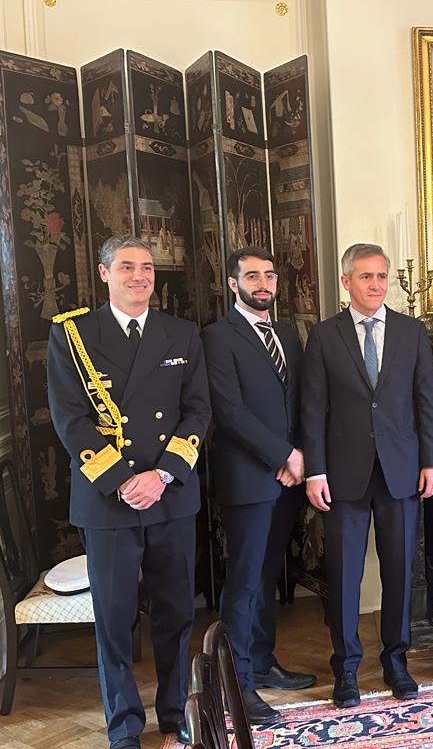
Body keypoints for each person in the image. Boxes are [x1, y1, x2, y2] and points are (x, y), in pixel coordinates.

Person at [46, 235, 211, 749]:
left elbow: (198, 411)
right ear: (104, 273)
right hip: (108, 499)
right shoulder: (74, 335)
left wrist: (161, 475)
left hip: (170, 494)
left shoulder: (181, 333)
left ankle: (173, 713)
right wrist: (124, 480)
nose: (139, 275)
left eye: (146, 267)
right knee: (115, 620)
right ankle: (123, 727)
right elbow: (70, 418)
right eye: (126, 267)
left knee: (176, 613)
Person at [302, 243, 433, 707]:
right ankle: (345, 670)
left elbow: (427, 401)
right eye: (366, 277)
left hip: (402, 471)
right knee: (343, 575)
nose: (377, 285)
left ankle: (396, 662)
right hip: (343, 474)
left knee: (399, 571)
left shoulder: (411, 332)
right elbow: (313, 409)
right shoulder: (324, 336)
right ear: (346, 282)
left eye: (382, 276)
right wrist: (315, 470)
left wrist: (432, 461)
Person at [200, 247, 315, 724]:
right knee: (244, 581)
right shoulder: (215, 337)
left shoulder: (287, 333)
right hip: (249, 477)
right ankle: (237, 684)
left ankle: (263, 663)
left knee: (270, 574)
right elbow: (229, 412)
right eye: (252, 275)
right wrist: (283, 455)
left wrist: (300, 458)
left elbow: (302, 399)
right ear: (233, 284)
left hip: (287, 477)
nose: (263, 282)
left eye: (269, 274)